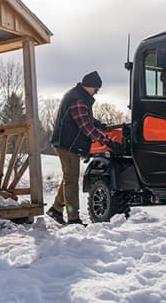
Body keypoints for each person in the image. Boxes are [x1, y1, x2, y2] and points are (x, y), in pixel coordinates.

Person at [47, 71, 123, 225]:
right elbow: (86, 127)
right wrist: (107, 141)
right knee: (71, 181)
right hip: (67, 145)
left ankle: (55, 209)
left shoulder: (77, 96)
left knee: (69, 177)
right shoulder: (78, 100)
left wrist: (98, 123)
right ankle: (73, 218)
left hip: (67, 144)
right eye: (96, 89)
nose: (97, 92)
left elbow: (85, 118)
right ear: (90, 86)